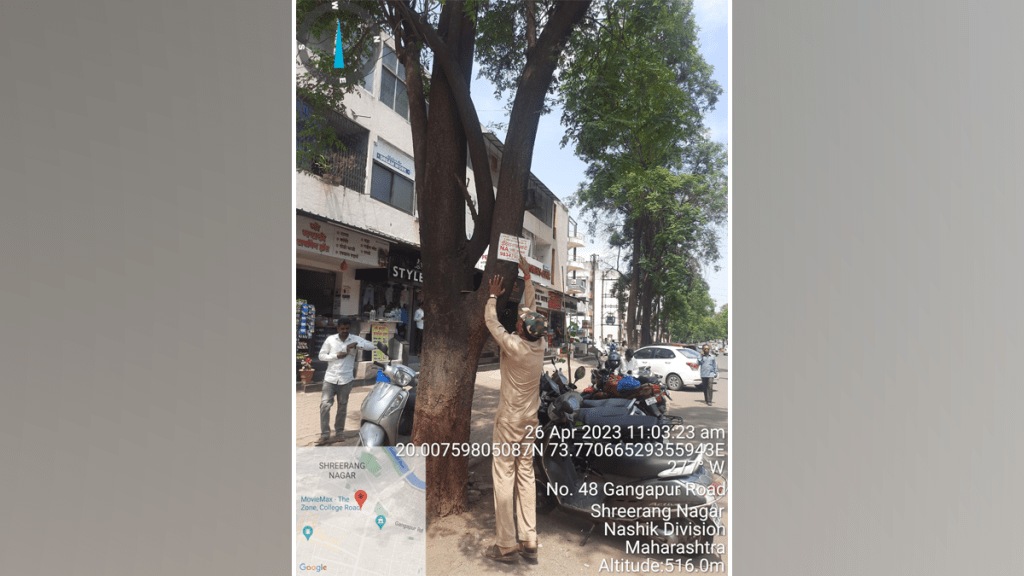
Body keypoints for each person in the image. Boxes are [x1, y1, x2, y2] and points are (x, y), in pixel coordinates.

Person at [482, 257, 546, 564]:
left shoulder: (513, 345)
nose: (518, 319)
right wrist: (528, 279)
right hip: (530, 422)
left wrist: (493, 295)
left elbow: (492, 323)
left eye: (520, 322)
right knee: (526, 475)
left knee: (504, 475)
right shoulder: (538, 345)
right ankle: (529, 540)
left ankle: (506, 544)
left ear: (521, 330)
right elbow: (528, 312)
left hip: (509, 422)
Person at [316, 319, 379, 445]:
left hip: (346, 379)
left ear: (349, 328)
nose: (344, 331)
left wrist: (356, 345)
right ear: (338, 328)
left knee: (342, 407)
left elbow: (372, 346)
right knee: (324, 406)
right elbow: (321, 356)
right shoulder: (330, 340)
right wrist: (336, 356)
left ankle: (339, 433)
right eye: (342, 329)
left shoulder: (355, 339)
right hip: (330, 378)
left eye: (347, 329)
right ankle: (325, 434)